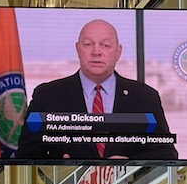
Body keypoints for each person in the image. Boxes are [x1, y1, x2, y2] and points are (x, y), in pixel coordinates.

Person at [14, 19, 176, 162]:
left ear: (118, 52)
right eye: (88, 44)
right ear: (78, 49)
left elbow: (167, 153)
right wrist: (56, 162)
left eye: (105, 45)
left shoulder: (145, 97)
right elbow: (25, 155)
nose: (96, 52)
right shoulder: (47, 95)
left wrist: (130, 162)